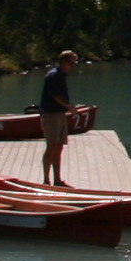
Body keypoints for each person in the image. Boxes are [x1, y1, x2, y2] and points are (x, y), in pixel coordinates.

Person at [37, 49, 78, 185]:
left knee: (59, 146)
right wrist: (68, 106)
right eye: (71, 63)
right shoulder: (53, 75)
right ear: (63, 61)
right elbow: (55, 96)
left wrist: (67, 107)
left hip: (60, 114)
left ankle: (57, 180)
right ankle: (46, 180)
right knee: (52, 145)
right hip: (51, 114)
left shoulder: (61, 75)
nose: (72, 66)